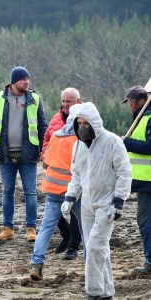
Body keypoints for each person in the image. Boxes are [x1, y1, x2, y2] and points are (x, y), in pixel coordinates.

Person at [61, 102, 132, 300]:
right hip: (87, 204)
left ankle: (93, 292)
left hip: (106, 203)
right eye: (79, 123)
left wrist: (119, 200)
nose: (82, 127)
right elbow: (76, 174)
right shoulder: (78, 145)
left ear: (94, 123)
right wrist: (70, 196)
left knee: (94, 247)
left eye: (85, 123)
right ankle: (107, 292)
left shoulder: (111, 141)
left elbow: (124, 172)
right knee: (98, 248)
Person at [0, 66, 47, 241]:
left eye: (28, 79)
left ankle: (31, 229)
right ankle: (8, 229)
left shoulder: (34, 99)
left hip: (29, 154)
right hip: (4, 154)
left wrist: (44, 149)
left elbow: (43, 126)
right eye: (23, 79)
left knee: (30, 193)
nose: (27, 82)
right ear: (14, 81)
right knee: (7, 192)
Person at [30, 104, 84, 280]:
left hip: (52, 189)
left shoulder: (56, 136)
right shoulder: (79, 139)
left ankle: (36, 264)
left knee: (46, 228)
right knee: (86, 227)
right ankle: (90, 261)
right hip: (73, 191)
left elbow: (46, 161)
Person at [42, 87, 82, 260]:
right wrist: (45, 154)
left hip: (76, 175)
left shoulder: (85, 120)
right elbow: (47, 139)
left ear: (78, 102)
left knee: (75, 212)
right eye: (63, 101)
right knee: (55, 209)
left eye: (69, 101)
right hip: (57, 176)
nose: (65, 105)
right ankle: (66, 237)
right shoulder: (56, 119)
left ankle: (73, 246)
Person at [121, 85, 151, 274]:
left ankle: (150, 261)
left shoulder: (148, 118)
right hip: (144, 182)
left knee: (145, 220)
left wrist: (127, 142)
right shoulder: (143, 118)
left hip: (148, 181)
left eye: (129, 104)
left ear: (133, 103)